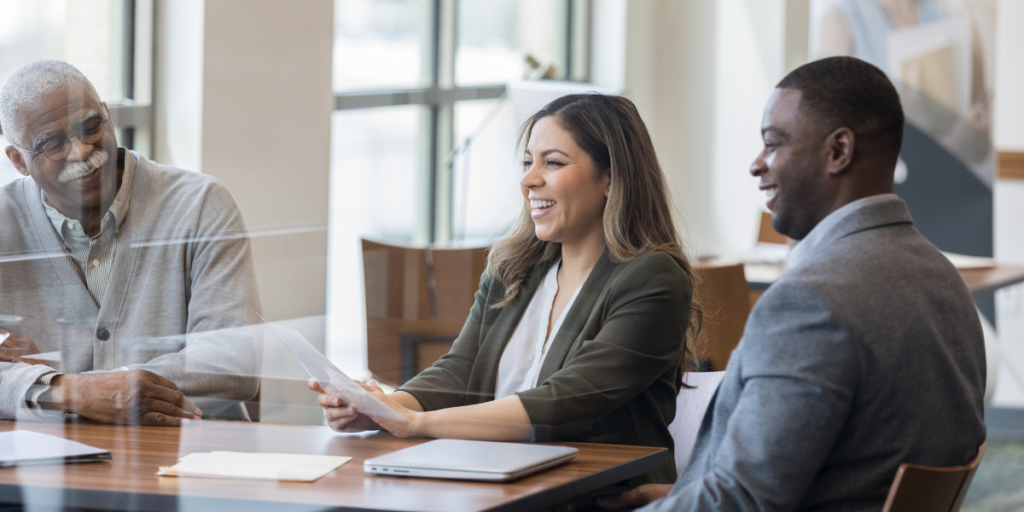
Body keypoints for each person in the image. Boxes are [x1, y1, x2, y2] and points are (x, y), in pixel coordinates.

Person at [602, 56, 986, 510]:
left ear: (838, 151)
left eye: (773, 143)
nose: (756, 165)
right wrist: (682, 496)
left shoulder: (811, 302)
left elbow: (743, 500)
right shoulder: (941, 275)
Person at [310, 94, 701, 485]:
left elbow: (566, 403)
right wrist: (383, 409)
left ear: (611, 177)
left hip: (595, 495)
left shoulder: (652, 278)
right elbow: (461, 371)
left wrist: (415, 423)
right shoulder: (514, 268)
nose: (529, 179)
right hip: (493, 483)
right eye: (528, 162)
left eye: (553, 162)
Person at [0, 60, 262, 424]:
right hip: (48, 464)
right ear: (18, 161)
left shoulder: (200, 203)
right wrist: (75, 393)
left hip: (196, 457)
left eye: (90, 127)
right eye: (52, 144)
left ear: (107, 115)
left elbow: (232, 363)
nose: (81, 152)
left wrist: (55, 389)